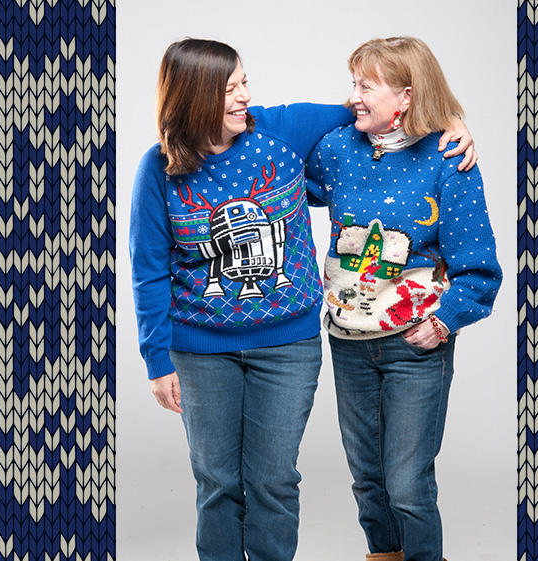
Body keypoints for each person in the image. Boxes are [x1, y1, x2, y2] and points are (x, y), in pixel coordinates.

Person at [130, 38, 476, 561]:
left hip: (287, 345)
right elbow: (148, 270)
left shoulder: (279, 131)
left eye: (244, 81)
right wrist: (156, 359)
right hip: (200, 349)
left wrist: (452, 118)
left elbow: (382, 106)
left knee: (273, 481)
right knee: (218, 483)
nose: (246, 95)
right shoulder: (158, 169)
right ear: (196, 97)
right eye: (230, 89)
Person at [305, 37, 503, 561]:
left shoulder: (447, 158)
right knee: (368, 480)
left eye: (366, 86)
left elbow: (479, 268)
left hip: (415, 346)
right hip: (348, 342)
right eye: (353, 83)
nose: (353, 97)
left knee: (408, 484)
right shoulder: (337, 149)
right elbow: (273, 172)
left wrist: (444, 323)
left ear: (407, 96)